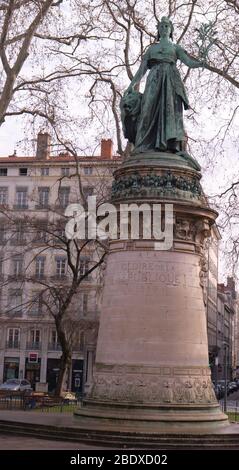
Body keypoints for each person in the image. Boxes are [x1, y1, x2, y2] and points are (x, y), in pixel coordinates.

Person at [121, 17, 205, 157]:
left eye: (167, 26)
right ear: (158, 30)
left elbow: (189, 62)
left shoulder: (175, 48)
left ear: (171, 30)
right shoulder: (152, 49)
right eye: (162, 26)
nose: (164, 28)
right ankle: (143, 145)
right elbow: (142, 69)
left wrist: (201, 62)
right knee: (147, 108)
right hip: (154, 78)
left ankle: (169, 144)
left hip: (171, 81)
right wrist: (131, 85)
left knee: (170, 111)